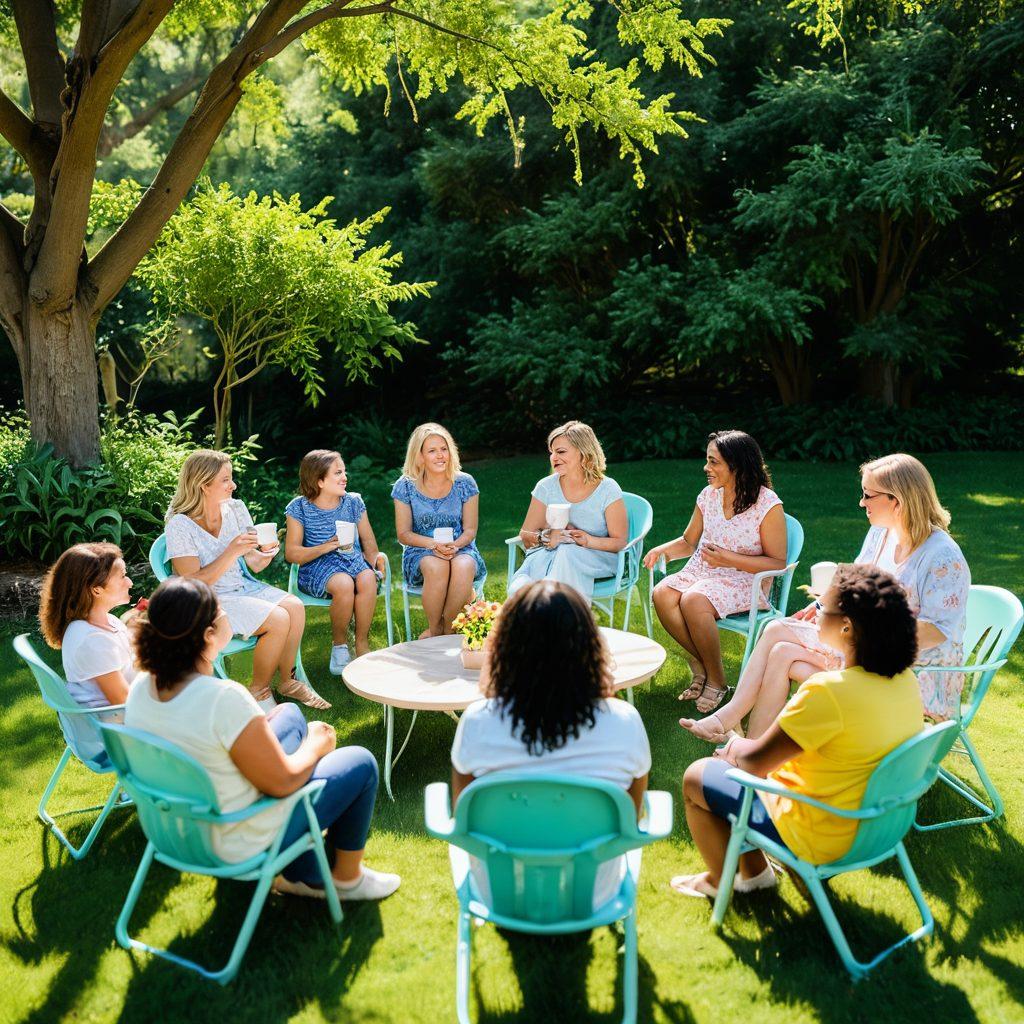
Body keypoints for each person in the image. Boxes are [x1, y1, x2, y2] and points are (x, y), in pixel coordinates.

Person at [126, 576, 400, 902]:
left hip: (183, 829)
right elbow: (282, 783)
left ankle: (300, 866)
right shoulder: (222, 699)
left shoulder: (141, 690)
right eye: (221, 610)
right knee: (360, 761)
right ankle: (345, 878)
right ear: (209, 635)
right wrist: (316, 745)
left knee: (289, 717)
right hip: (238, 837)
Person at [671, 564, 923, 898]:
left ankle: (728, 880)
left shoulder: (828, 692)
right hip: (882, 825)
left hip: (823, 832)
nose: (815, 612)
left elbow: (753, 765)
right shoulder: (906, 681)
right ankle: (757, 872)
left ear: (847, 628)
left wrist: (733, 747)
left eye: (823, 607)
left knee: (699, 776)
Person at [681, 452, 969, 743]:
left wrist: (860, 629)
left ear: (897, 500)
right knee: (781, 650)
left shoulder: (942, 556)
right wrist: (821, 604)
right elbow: (853, 579)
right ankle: (749, 747)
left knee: (777, 632)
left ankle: (730, 726)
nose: (862, 502)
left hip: (912, 668)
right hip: (865, 649)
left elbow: (937, 631)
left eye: (868, 495)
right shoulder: (882, 534)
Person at [450, 579, 651, 910]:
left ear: (506, 647)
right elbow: (632, 814)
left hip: (501, 891)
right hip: (591, 892)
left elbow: (463, 816)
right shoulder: (624, 722)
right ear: (588, 645)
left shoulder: (477, 721)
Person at [164, 449, 327, 712]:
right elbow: (192, 583)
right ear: (204, 485)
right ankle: (258, 690)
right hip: (208, 599)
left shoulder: (236, 509)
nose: (234, 485)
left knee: (295, 607)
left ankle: (288, 681)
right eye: (225, 480)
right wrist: (232, 551)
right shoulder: (179, 525)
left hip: (241, 586)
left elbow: (252, 563)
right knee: (278, 619)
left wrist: (265, 554)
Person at [644, 430, 787, 714]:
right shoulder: (709, 495)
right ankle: (702, 665)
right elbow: (688, 542)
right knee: (662, 593)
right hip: (704, 570)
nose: (706, 468)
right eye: (707, 460)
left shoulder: (767, 503)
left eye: (714, 462)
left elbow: (777, 563)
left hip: (746, 579)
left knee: (693, 600)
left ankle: (716, 681)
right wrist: (663, 550)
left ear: (737, 465)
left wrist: (728, 559)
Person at [285, 450, 388, 674]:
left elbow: (368, 541)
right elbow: (292, 553)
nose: (345, 477)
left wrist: (376, 562)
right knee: (343, 584)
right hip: (317, 566)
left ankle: (361, 643)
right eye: (338, 473)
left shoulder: (353, 502)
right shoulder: (299, 508)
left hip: (352, 560)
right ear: (319, 481)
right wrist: (327, 546)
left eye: (344, 471)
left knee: (368, 579)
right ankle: (340, 646)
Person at [508, 421, 628, 602]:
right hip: (548, 555)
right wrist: (546, 537)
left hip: (596, 556)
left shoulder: (607, 489)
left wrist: (587, 540)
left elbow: (619, 542)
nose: (554, 457)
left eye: (561, 451)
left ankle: (549, 605)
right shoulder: (546, 487)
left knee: (565, 555)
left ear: (585, 453)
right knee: (520, 589)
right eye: (552, 452)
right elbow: (526, 534)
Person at [38, 544, 136, 760]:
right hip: (110, 739)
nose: (129, 582)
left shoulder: (106, 622)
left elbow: (129, 665)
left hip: (114, 724)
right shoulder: (92, 640)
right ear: (96, 589)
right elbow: (123, 700)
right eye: (122, 577)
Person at [392, 423, 486, 637]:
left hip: (461, 546)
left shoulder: (465, 483)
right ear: (420, 456)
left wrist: (455, 545)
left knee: (462, 566)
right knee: (437, 566)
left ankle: (447, 629)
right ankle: (435, 629)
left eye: (444, 449)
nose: (440, 455)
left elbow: (470, 530)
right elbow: (403, 534)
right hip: (421, 550)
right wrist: (433, 545)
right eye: (432, 451)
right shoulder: (405, 486)